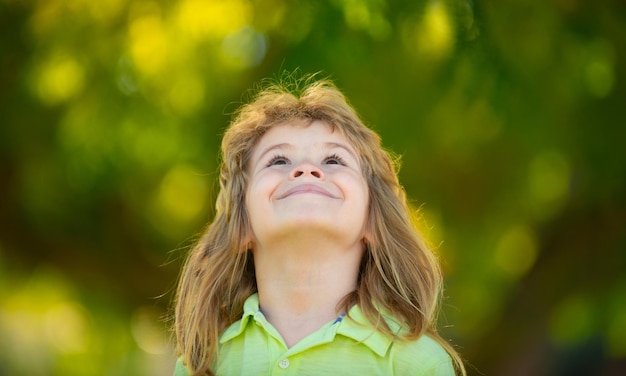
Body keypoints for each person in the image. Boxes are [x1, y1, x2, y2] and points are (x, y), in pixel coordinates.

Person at [173, 74, 465, 375]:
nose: (306, 169)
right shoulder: (203, 364)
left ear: (372, 222)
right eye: (278, 161)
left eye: (334, 160)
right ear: (242, 225)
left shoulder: (416, 362)